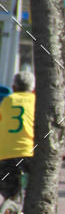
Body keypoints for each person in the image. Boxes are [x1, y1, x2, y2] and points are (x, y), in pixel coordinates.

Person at [0, 71, 35, 199]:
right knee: (37, 185)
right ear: (32, 89)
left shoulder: (7, 101)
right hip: (29, 154)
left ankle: (8, 211)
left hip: (6, 155)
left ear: (13, 88)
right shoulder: (35, 102)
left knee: (9, 193)